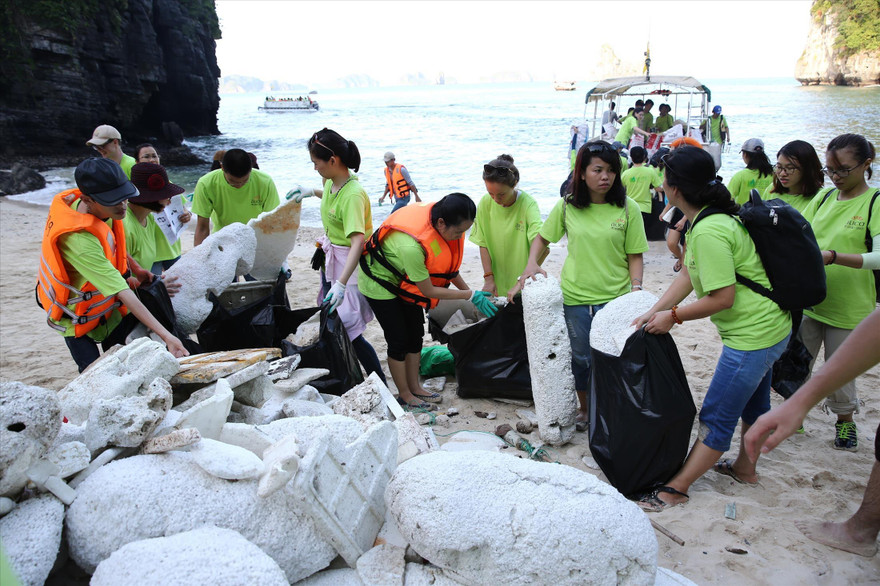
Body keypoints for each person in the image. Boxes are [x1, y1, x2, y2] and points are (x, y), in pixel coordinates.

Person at [632, 146, 791, 512]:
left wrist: (673, 317)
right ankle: (745, 469)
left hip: (754, 335)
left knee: (717, 415)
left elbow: (722, 298)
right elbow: (689, 274)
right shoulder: (705, 219)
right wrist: (653, 309)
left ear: (673, 188)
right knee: (755, 401)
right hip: (770, 327)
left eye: (664, 178)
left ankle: (677, 488)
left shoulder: (710, 230)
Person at [512, 141, 647, 430]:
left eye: (611, 170)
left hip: (616, 299)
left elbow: (635, 254)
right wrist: (531, 264)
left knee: (614, 358)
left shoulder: (628, 207)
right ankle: (585, 409)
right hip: (575, 299)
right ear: (582, 173)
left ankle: (612, 408)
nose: (605, 177)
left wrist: (636, 290)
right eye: (598, 170)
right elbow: (542, 237)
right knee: (582, 359)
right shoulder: (567, 205)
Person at [744, 309, 880, 557]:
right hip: (815, 309)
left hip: (848, 312)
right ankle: (861, 530)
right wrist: (799, 401)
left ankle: (844, 420)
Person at [37, 158, 189, 372]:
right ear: (88, 200)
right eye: (114, 200)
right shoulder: (79, 241)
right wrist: (167, 336)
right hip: (76, 316)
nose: (123, 205)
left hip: (106, 308)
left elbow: (113, 244)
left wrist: (135, 269)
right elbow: (123, 291)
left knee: (124, 364)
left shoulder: (104, 206)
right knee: (95, 374)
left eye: (125, 197)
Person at [360, 194, 496, 408]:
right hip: (380, 281)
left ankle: (416, 388)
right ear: (441, 223)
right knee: (398, 340)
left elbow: (448, 271)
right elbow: (428, 289)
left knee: (415, 335)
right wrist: (469, 295)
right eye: (459, 231)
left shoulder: (445, 224)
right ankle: (405, 394)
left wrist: (472, 294)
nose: (460, 236)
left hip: (406, 278)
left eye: (465, 231)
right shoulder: (412, 246)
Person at [797, 133, 878, 451]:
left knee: (840, 372)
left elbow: (878, 258)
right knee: (798, 364)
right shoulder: (825, 198)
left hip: (850, 306)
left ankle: (845, 422)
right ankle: (796, 415)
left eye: (843, 169)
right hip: (812, 300)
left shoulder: (875, 202)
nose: (836, 176)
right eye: (830, 169)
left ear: (866, 165)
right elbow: (801, 235)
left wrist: (832, 256)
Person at [303, 128, 387, 384]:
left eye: (316, 163)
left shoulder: (353, 195)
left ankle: (379, 381)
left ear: (333, 160)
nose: (315, 168)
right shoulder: (330, 182)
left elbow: (358, 243)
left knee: (350, 330)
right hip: (331, 260)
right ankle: (348, 375)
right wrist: (310, 193)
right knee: (333, 320)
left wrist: (341, 284)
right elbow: (331, 198)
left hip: (350, 266)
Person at [470, 155, 543, 297]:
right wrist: (489, 278)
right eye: (491, 193)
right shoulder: (485, 203)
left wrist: (520, 281)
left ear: (514, 184)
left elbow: (541, 244)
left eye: (501, 194)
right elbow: (482, 242)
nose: (496, 199)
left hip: (524, 283)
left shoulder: (528, 205)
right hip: (496, 282)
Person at [191, 148, 280, 246]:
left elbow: (272, 222)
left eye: (245, 181)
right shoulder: (206, 184)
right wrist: (199, 256)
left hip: (256, 240)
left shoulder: (265, 182)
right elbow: (202, 228)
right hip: (223, 240)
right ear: (222, 168)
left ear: (251, 169)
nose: (239, 185)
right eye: (233, 182)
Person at [124, 163, 186, 296]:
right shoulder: (125, 226)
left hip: (141, 297)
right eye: (167, 196)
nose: (169, 201)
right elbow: (118, 277)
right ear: (151, 197)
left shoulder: (150, 219)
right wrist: (154, 287)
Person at [134, 144, 192, 271]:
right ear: (137, 162)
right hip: (151, 254)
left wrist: (187, 215)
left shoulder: (167, 184)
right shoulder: (137, 188)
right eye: (146, 157)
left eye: (154, 156)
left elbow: (182, 208)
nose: (152, 160)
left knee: (178, 288)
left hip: (172, 249)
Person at [762, 139, 828, 215]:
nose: (782, 173)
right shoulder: (772, 189)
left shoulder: (820, 198)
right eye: (779, 167)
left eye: (790, 168)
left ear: (807, 169)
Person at [621, 146, 662, 230]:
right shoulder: (650, 171)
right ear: (644, 157)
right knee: (643, 234)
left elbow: (620, 190)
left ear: (631, 158)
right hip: (645, 208)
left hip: (630, 208)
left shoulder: (626, 174)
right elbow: (658, 189)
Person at [727, 138, 774, 205]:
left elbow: (727, 197)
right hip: (768, 214)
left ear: (745, 155)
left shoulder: (740, 176)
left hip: (744, 215)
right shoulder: (774, 174)